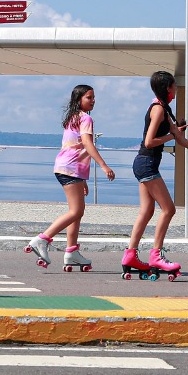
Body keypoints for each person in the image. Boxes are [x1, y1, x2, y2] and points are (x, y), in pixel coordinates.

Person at [123, 70, 188, 278]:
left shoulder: (164, 110)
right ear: (166, 88)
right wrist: (171, 134)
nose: (176, 90)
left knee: (147, 211)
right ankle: (156, 255)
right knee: (168, 209)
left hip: (144, 163)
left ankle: (130, 255)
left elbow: (182, 140)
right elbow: (150, 141)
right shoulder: (158, 110)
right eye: (174, 86)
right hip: (147, 162)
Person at [26, 84, 115, 271]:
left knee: (76, 212)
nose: (93, 100)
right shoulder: (85, 119)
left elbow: (75, 146)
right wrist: (104, 165)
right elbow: (88, 145)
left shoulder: (72, 118)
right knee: (76, 211)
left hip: (67, 168)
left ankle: (71, 252)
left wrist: (83, 179)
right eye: (89, 97)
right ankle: (42, 239)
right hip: (71, 168)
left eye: (93, 97)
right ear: (79, 100)